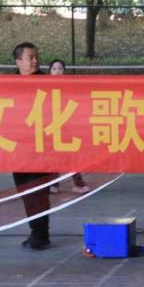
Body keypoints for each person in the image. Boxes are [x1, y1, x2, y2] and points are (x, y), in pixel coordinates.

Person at [12, 42, 52, 250]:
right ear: (18, 62)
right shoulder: (7, 85)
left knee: (38, 192)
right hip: (17, 148)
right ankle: (36, 231)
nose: (35, 61)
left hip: (41, 148)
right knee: (25, 192)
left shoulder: (48, 83)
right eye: (30, 57)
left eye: (37, 57)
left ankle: (41, 234)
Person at [47, 59, 89, 194]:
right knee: (53, 157)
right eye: (54, 69)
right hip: (51, 127)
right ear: (50, 72)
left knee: (71, 156)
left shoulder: (69, 87)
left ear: (64, 71)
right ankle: (54, 185)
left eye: (60, 68)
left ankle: (78, 183)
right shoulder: (45, 87)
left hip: (67, 127)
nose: (57, 71)